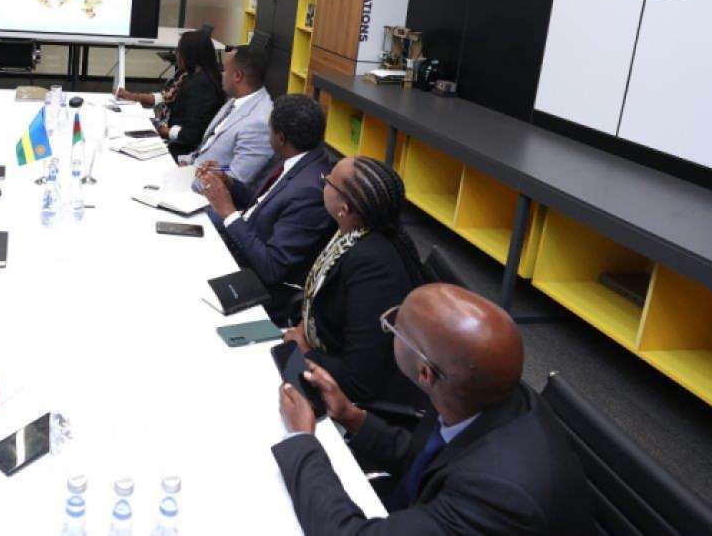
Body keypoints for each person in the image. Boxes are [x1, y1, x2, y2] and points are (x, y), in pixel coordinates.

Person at [275, 283, 592, 534]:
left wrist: (302, 439)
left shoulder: (495, 497)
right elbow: (426, 458)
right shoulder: (480, 390)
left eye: (394, 328)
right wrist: (351, 416)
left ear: (425, 373)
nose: (389, 325)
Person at [281, 156, 426, 408]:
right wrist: (304, 327)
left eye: (328, 181)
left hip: (348, 397)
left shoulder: (373, 266)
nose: (324, 181)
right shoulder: (350, 231)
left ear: (344, 207)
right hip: (320, 344)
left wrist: (304, 351)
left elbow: (360, 380)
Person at [197, 94, 336, 289]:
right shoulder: (298, 157)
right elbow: (264, 204)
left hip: (248, 272)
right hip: (242, 236)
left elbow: (272, 268)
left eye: (269, 130)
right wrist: (229, 183)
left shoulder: (310, 192)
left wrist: (228, 212)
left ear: (281, 138)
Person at [116, 28, 225, 159]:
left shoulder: (202, 86)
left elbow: (191, 135)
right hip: (168, 128)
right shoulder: (189, 74)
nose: (176, 54)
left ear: (189, 54)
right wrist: (132, 96)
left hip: (178, 148)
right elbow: (164, 97)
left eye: (178, 50)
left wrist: (158, 130)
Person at [185, 43, 273, 188]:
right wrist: (185, 164)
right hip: (190, 170)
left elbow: (236, 180)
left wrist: (186, 183)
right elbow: (207, 146)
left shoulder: (259, 123)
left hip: (202, 191)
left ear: (237, 76)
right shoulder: (236, 99)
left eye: (224, 70)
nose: (221, 75)